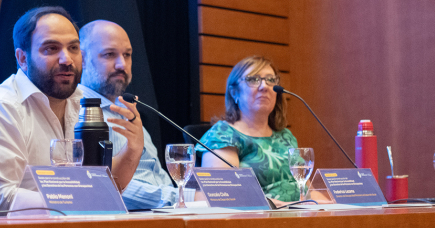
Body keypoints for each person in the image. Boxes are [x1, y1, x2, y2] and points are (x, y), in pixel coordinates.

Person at [0, 6, 141, 214]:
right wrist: (75, 201)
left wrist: (132, 150)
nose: (67, 60)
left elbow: (103, 190)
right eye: (51, 49)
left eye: (73, 48)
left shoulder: (82, 102)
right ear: (22, 59)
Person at [79, 20, 177, 209]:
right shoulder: (77, 113)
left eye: (127, 55)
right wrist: (183, 198)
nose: (122, 64)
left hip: (167, 214)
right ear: (81, 59)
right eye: (109, 54)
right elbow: (103, 185)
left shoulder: (127, 109)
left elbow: (157, 175)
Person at [197, 55, 300, 201]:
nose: (264, 86)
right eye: (253, 80)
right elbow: (223, 196)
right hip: (257, 220)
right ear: (235, 93)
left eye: (271, 80)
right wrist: (279, 207)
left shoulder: (286, 136)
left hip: (300, 217)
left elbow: (306, 189)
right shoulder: (222, 136)